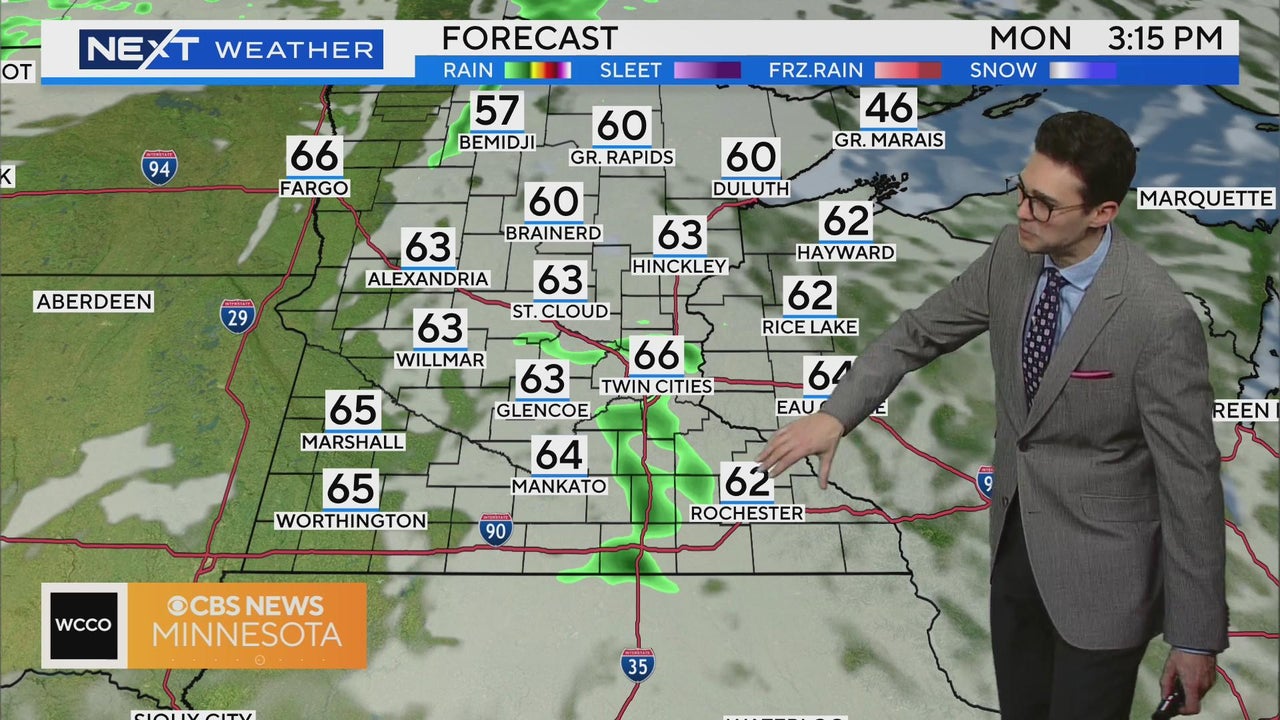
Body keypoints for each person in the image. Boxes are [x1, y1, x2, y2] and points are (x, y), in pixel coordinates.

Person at [756, 110, 1229, 718]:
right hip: (1015, 557)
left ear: (1102, 213)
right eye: (1022, 191)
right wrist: (837, 414)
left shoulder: (1156, 317)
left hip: (1104, 589)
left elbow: (1190, 481)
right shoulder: (1011, 254)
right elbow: (918, 332)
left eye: (1045, 204)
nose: (1023, 212)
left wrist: (1195, 639)